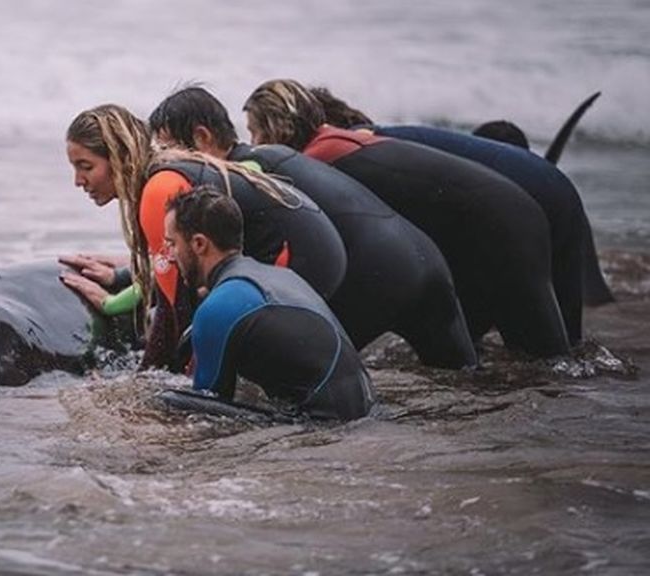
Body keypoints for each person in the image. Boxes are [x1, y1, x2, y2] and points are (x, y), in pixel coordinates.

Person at [147, 86, 477, 368]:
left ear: (201, 137)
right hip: (424, 257)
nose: (164, 159)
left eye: (167, 148)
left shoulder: (238, 176)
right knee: (467, 380)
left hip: (377, 276)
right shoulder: (273, 157)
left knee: (321, 382)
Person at [244, 79, 571, 359]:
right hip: (506, 222)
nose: (253, 143)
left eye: (254, 132)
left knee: (547, 363)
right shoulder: (338, 140)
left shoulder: (319, 158)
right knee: (524, 359)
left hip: (507, 228)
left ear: (276, 127)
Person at [63, 104, 347, 371]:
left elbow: (174, 310)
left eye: (86, 167)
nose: (77, 181)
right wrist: (124, 279)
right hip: (319, 249)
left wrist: (146, 381)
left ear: (120, 157)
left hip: (300, 258)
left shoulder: (158, 188)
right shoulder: (164, 167)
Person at [164, 185, 375, 420]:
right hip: (364, 406)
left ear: (199, 244)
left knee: (170, 402)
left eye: (173, 244)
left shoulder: (217, 308)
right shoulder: (279, 277)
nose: (170, 256)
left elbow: (205, 406)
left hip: (325, 424)